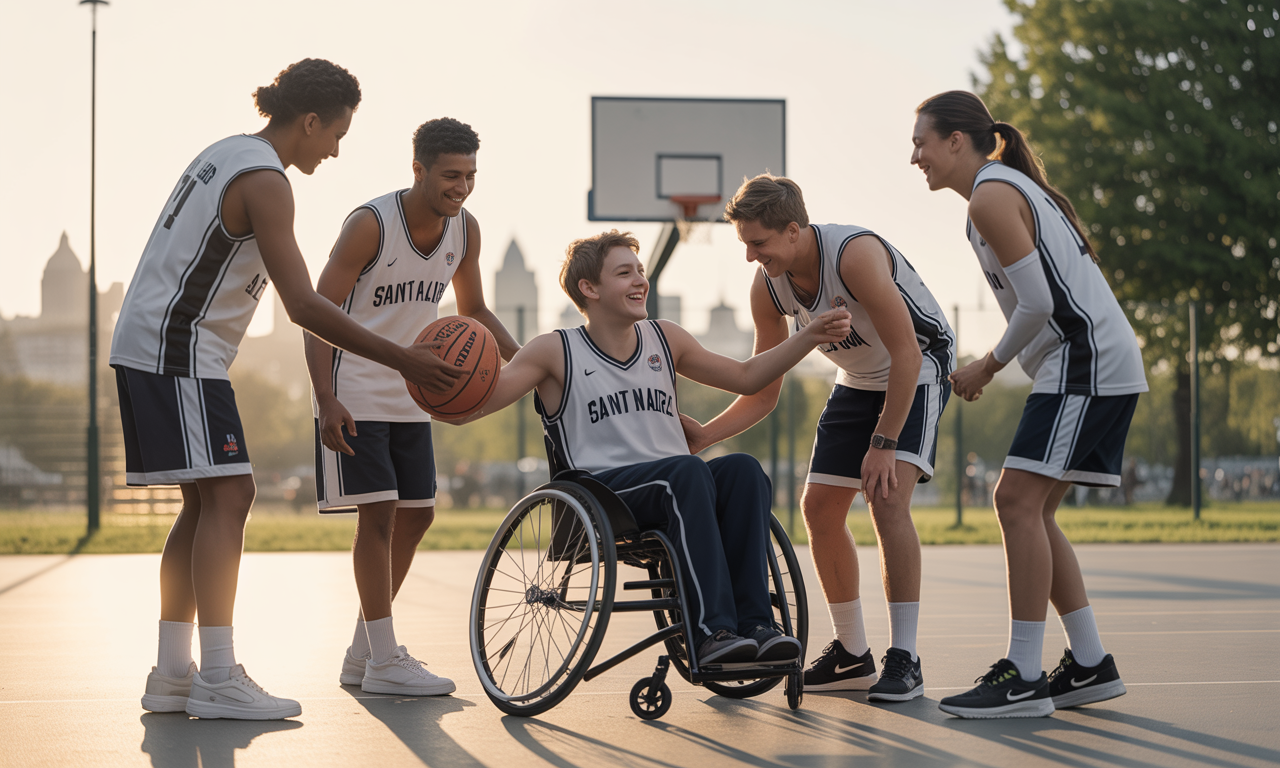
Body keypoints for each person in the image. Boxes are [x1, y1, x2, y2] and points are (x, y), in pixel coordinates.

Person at [112, 59, 450, 720]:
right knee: (233, 494)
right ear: (310, 119)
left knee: (204, 503)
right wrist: (402, 358)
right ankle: (216, 675)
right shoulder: (266, 179)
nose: (335, 150)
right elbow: (304, 305)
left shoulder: (226, 153)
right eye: (335, 134)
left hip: (163, 344)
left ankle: (173, 673)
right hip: (175, 347)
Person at [449, 230, 851, 664]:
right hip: (601, 493)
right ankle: (711, 632)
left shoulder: (666, 338)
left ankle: (756, 624)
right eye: (625, 273)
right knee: (686, 472)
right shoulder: (554, 350)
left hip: (677, 484)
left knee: (743, 470)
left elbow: (748, 376)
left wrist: (808, 337)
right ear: (590, 289)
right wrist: (434, 388)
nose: (640, 280)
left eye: (640, 271)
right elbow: (477, 402)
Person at [911, 90, 1147, 718]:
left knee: (1013, 500)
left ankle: (1023, 675)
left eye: (921, 143)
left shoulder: (991, 194)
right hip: (1084, 362)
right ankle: (1090, 663)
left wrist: (986, 367)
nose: (915, 157)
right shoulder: (990, 196)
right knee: (1033, 510)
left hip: (1086, 360)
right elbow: (1035, 305)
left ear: (956, 141)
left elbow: (1040, 304)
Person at [681, 174, 955, 702]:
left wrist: (884, 443)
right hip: (856, 380)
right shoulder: (770, 285)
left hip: (917, 369)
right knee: (819, 509)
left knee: (886, 499)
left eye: (757, 243)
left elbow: (908, 354)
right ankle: (853, 655)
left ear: (792, 230)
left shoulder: (854, 255)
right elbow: (763, 389)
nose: (750, 256)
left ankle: (906, 659)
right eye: (745, 244)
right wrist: (706, 436)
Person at [305, 117, 519, 696]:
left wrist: (529, 362)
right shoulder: (370, 225)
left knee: (418, 515)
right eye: (451, 175)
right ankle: (384, 656)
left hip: (414, 391)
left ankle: (363, 652)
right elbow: (314, 313)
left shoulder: (465, 229)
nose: (462, 187)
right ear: (419, 170)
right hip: (354, 391)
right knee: (377, 515)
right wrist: (325, 399)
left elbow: (473, 309)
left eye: (471, 175)